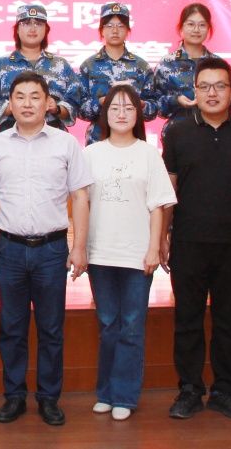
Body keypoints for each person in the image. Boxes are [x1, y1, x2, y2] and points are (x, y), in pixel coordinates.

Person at [0, 71, 93, 426]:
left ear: (47, 103)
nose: (27, 104)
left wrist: (79, 247)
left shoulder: (66, 144)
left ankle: (48, 398)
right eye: (20, 97)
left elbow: (80, 196)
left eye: (35, 96)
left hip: (52, 250)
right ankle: (14, 396)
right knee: (11, 328)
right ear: (10, 104)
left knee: (51, 329)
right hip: (9, 249)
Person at [162, 57, 231, 421]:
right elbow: (169, 189)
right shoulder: (177, 132)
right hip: (188, 242)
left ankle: (225, 390)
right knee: (187, 319)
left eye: (220, 86)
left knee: (227, 321)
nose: (212, 93)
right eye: (204, 86)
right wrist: (162, 236)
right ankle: (189, 389)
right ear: (194, 91)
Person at [78, 84, 177, 421]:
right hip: (100, 253)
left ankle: (124, 395)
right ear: (104, 114)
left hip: (137, 254)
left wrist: (154, 248)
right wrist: (79, 247)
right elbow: (80, 203)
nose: (121, 114)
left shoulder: (149, 154)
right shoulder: (91, 153)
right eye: (115, 108)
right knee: (108, 324)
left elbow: (158, 206)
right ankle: (105, 392)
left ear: (138, 115)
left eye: (129, 108)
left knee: (132, 326)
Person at [0, 4, 83, 133]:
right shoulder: (0, 65)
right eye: (26, 23)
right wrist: (12, 106)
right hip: (11, 135)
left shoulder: (61, 65)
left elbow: (76, 102)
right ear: (17, 29)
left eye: (38, 24)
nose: (33, 28)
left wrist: (57, 108)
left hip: (53, 135)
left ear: (46, 29)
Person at [77, 2, 159, 144]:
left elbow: (154, 109)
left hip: (133, 140)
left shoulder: (141, 66)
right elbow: (80, 110)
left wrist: (139, 104)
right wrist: (100, 103)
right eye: (109, 26)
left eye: (120, 26)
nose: (115, 31)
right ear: (101, 30)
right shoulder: (89, 66)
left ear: (128, 30)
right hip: (98, 141)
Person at [153, 3, 221, 138]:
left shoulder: (217, 63)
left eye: (202, 25)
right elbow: (156, 105)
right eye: (191, 24)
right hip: (177, 134)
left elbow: (229, 100)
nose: (196, 30)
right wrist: (176, 100)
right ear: (181, 27)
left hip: (213, 134)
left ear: (209, 28)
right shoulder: (167, 64)